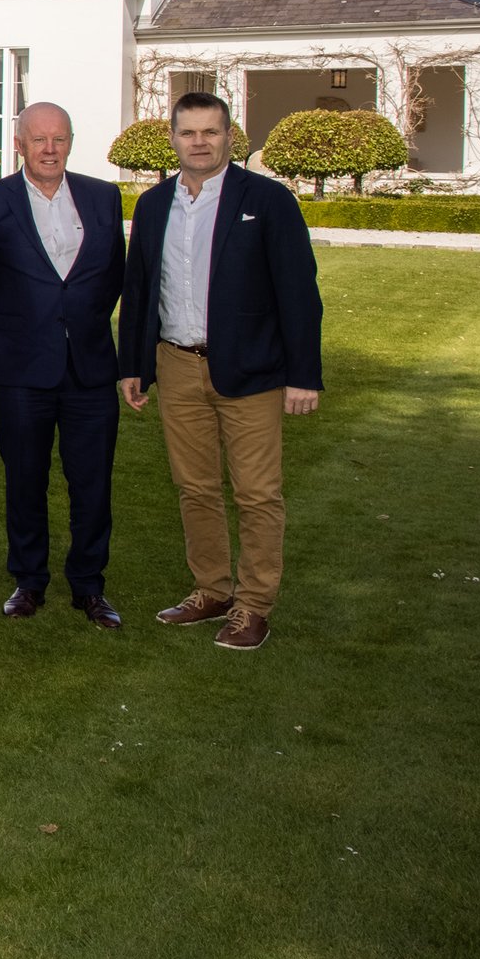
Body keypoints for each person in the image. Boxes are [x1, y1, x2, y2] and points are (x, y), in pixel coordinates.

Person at [119, 92, 323, 651]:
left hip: (251, 369)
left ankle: (254, 604)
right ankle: (212, 590)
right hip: (177, 365)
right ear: (173, 139)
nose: (200, 142)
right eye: (189, 133)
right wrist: (133, 365)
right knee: (195, 488)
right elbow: (140, 291)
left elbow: (299, 292)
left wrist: (304, 373)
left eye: (211, 131)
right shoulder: (155, 203)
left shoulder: (268, 200)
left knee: (257, 493)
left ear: (230, 136)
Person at [0, 102, 128, 629]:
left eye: (58, 139)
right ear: (18, 143)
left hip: (89, 368)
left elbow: (114, 275)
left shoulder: (102, 197)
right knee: (25, 479)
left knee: (92, 482)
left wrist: (82, 322)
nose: (49, 149)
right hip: (19, 369)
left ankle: (89, 584)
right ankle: (29, 579)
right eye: (38, 139)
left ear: (70, 141)